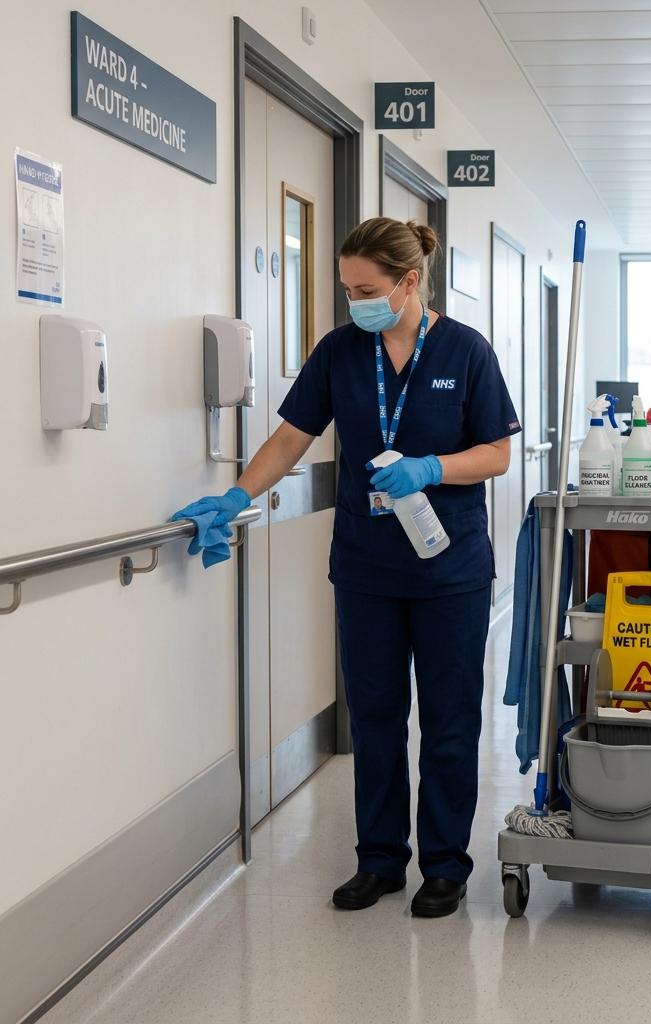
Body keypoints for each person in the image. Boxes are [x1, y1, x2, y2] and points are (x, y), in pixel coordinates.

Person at [172, 217, 520, 918]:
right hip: (366, 568)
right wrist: (238, 494)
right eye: (346, 288)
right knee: (375, 717)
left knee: (449, 720)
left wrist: (430, 467)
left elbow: (496, 453)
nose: (354, 301)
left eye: (366, 289)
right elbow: (290, 437)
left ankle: (446, 865)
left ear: (409, 281)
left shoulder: (465, 350)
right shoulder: (339, 352)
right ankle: (381, 860)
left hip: (449, 569)